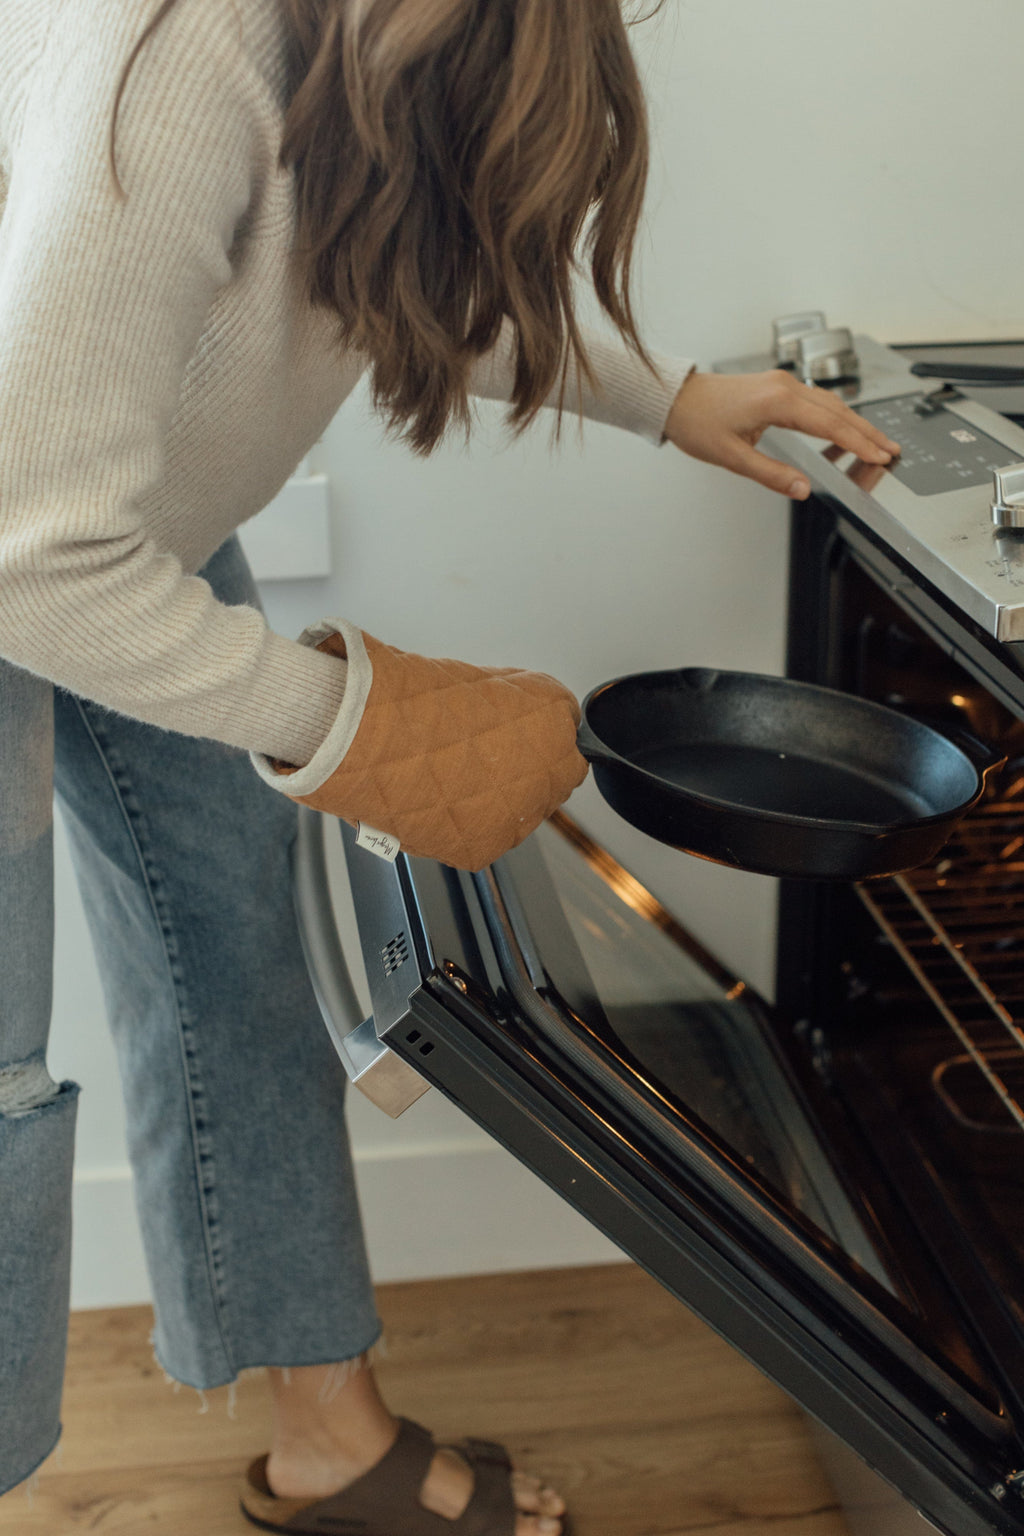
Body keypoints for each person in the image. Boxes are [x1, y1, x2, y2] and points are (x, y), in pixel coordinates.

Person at [0, 0, 899, 1531]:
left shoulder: (384, 41)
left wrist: (668, 396)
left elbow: (395, 255)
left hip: (117, 528)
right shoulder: (181, 47)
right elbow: (29, 550)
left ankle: (328, 1437)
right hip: (38, 542)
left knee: (243, 963)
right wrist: (356, 726)